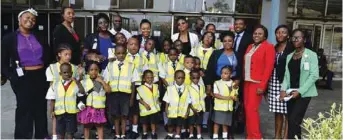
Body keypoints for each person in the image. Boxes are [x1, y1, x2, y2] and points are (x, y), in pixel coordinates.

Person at [1, 8, 52, 139]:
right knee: (24, 108)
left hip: (41, 75)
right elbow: (3, 62)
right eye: (27, 18)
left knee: (40, 107)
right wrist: (11, 76)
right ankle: (23, 136)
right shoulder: (9, 39)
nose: (30, 21)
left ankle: (42, 135)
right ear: (19, 20)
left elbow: (48, 54)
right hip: (23, 77)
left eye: (33, 19)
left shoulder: (39, 36)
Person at [280, 29, 319, 139]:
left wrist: (300, 91)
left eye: (298, 37)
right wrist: (283, 90)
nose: (295, 39)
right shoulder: (289, 56)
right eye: (293, 37)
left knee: (294, 120)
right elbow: (287, 75)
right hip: (290, 92)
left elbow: (314, 76)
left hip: (304, 93)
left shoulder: (311, 55)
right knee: (291, 119)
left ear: (304, 40)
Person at [205, 31, 241, 137]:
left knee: (230, 109)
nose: (227, 43)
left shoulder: (237, 54)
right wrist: (209, 86)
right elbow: (210, 69)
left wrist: (238, 80)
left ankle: (228, 133)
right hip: (218, 83)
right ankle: (214, 133)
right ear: (222, 42)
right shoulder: (216, 53)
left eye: (230, 41)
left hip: (232, 84)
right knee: (216, 109)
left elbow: (240, 69)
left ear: (233, 42)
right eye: (225, 41)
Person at [243, 25, 275, 139]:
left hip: (257, 82)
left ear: (265, 35)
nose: (257, 35)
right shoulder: (250, 46)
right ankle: (250, 135)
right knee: (247, 109)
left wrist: (263, 85)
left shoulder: (269, 47)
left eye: (260, 34)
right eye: (255, 33)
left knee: (252, 110)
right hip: (247, 81)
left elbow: (268, 68)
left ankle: (256, 136)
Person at [45, 44, 83, 140]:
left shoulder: (74, 67)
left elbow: (78, 83)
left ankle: (69, 135)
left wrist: (80, 74)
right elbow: (51, 84)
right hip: (57, 95)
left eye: (70, 54)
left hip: (70, 97)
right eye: (66, 54)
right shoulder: (52, 67)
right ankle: (54, 135)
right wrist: (52, 102)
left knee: (69, 123)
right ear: (59, 54)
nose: (68, 57)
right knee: (56, 118)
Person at [103, 45, 140, 139]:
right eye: (118, 53)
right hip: (113, 94)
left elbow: (133, 83)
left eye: (123, 53)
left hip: (125, 95)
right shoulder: (110, 65)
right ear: (115, 54)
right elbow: (106, 81)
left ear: (126, 54)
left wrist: (132, 98)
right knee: (115, 116)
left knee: (124, 115)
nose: (121, 55)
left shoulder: (131, 66)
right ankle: (117, 134)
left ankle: (123, 135)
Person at [268, 25, 294, 139]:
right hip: (273, 82)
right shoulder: (274, 48)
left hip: (287, 83)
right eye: (278, 32)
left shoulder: (292, 48)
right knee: (277, 111)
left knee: (287, 112)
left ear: (288, 35)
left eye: (283, 32)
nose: (280, 34)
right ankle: (277, 136)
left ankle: (286, 137)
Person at [77, 61, 111, 139]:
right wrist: (79, 79)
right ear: (88, 71)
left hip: (98, 107)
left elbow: (108, 90)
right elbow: (81, 92)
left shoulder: (102, 79)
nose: (94, 72)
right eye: (91, 70)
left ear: (99, 70)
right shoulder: (85, 80)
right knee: (86, 126)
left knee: (99, 126)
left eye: (96, 69)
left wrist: (102, 82)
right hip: (87, 107)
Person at [124, 38, 148, 139]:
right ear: (127, 46)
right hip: (126, 86)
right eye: (131, 44)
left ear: (139, 46)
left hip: (138, 86)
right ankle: (128, 128)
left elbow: (146, 73)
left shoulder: (143, 59)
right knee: (127, 108)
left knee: (136, 109)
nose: (133, 46)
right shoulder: (124, 57)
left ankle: (134, 129)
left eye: (136, 44)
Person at [212, 66, 239, 139]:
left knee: (225, 124)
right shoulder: (217, 83)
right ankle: (215, 136)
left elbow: (235, 94)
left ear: (231, 75)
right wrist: (228, 98)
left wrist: (235, 97)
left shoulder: (233, 84)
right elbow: (216, 95)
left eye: (226, 73)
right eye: (222, 73)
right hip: (219, 107)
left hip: (228, 108)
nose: (223, 75)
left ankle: (225, 137)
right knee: (216, 123)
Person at [163, 70, 191, 139]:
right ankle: (170, 134)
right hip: (172, 111)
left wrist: (187, 111)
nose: (181, 80)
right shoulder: (170, 88)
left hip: (181, 111)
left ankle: (178, 135)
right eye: (179, 78)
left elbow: (189, 101)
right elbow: (167, 100)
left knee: (179, 124)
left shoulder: (187, 89)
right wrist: (166, 109)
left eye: (183, 78)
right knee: (170, 124)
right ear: (175, 78)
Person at [136, 70, 160, 139]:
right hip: (145, 109)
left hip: (154, 109)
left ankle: (153, 133)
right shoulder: (140, 88)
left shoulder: (156, 86)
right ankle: (144, 133)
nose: (150, 79)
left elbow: (157, 97)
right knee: (144, 123)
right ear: (144, 79)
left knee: (153, 122)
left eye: (151, 77)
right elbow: (139, 98)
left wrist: (158, 104)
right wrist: (145, 104)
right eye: (148, 77)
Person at [187, 70, 206, 139]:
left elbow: (203, 96)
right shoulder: (188, 87)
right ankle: (191, 135)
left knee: (199, 123)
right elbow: (188, 99)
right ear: (190, 78)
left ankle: (199, 135)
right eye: (194, 78)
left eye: (198, 78)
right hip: (192, 109)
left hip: (200, 108)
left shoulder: (201, 87)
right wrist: (192, 108)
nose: (196, 79)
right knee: (191, 123)